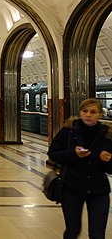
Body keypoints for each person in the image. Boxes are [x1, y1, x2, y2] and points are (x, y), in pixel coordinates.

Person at [47, 98, 112, 239]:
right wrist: (73, 154)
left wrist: (108, 160)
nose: (88, 115)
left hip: (98, 190)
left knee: (97, 234)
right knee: (72, 231)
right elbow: (53, 153)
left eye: (93, 112)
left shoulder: (108, 134)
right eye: (85, 111)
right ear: (80, 113)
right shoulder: (68, 131)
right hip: (71, 188)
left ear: (101, 114)